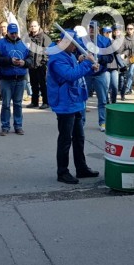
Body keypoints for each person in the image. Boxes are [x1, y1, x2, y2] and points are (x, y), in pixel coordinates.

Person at [47, 30, 100, 184]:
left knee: (79, 138)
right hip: (64, 104)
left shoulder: (68, 54)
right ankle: (62, 172)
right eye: (74, 44)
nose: (76, 48)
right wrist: (87, 63)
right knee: (65, 139)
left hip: (74, 101)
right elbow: (70, 75)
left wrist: (89, 67)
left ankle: (81, 168)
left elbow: (77, 72)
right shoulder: (57, 58)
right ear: (66, 43)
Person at [0, 23, 31, 136]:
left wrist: (24, 63)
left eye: (16, 33)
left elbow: (30, 59)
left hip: (20, 78)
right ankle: (5, 126)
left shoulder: (24, 44)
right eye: (12, 33)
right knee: (6, 104)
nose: (14, 35)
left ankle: (18, 126)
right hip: (6, 79)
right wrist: (10, 61)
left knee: (18, 104)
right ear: (7, 32)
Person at [26, 21, 51, 109]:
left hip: (41, 65)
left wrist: (44, 62)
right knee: (33, 84)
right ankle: (34, 102)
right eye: (31, 26)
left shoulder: (44, 37)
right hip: (31, 65)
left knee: (43, 84)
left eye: (35, 26)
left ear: (38, 26)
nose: (33, 27)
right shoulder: (29, 38)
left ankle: (46, 102)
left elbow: (48, 51)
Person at [104, 26, 122, 106]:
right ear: (103, 33)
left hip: (114, 66)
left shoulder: (114, 41)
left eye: (110, 32)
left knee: (115, 86)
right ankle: (106, 101)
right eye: (106, 32)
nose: (108, 34)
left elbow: (118, 51)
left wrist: (111, 40)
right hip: (105, 67)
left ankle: (113, 101)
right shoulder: (102, 42)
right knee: (106, 86)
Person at [119, 24, 134, 100]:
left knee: (131, 73)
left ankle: (127, 89)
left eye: (131, 28)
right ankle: (125, 89)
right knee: (125, 75)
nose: (129, 30)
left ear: (133, 29)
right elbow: (121, 49)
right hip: (126, 58)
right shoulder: (124, 38)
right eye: (128, 28)